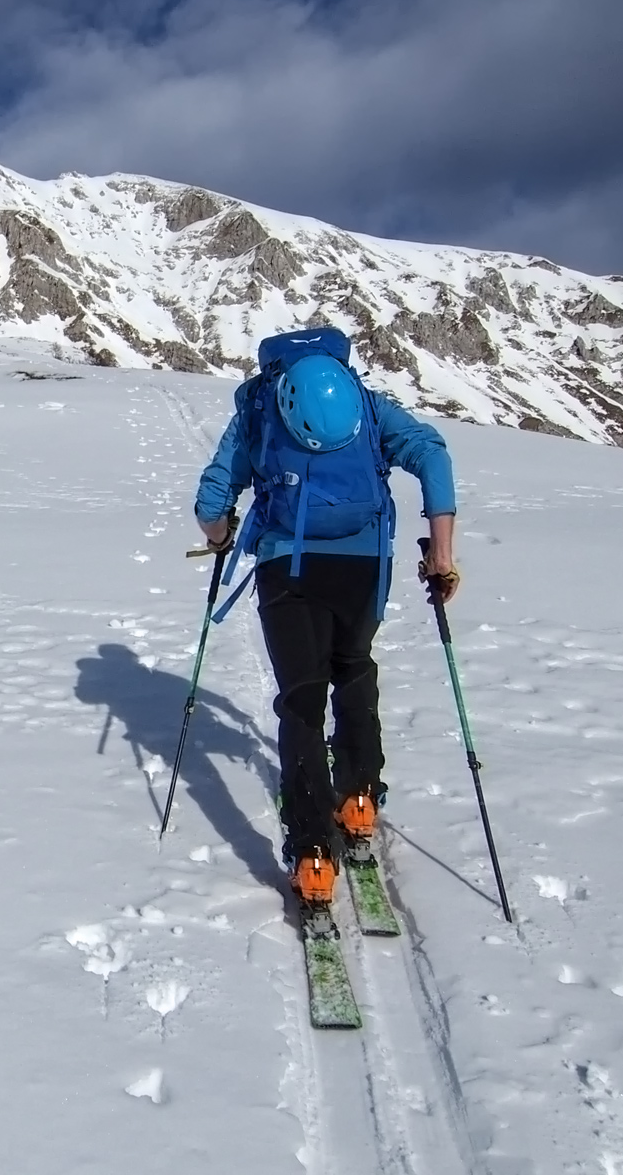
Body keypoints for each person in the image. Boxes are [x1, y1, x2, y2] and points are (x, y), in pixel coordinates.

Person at [193, 326, 459, 907]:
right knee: (354, 667)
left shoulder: (261, 408)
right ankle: (360, 800)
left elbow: (213, 498)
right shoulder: (366, 403)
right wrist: (441, 553)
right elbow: (431, 453)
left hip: (287, 566)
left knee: (302, 698)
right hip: (364, 564)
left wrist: (220, 536)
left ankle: (313, 854)